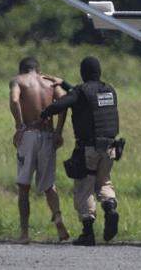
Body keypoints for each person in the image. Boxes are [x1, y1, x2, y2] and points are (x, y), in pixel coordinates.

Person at [41, 56, 120, 246]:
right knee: (104, 182)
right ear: (99, 72)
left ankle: (88, 233)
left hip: (89, 148)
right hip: (110, 147)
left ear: (82, 73)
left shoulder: (80, 91)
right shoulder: (109, 90)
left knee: (84, 187)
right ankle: (110, 208)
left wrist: (46, 112)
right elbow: (86, 96)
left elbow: (64, 103)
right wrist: (66, 84)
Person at [9, 57, 70, 243]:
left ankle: (25, 233)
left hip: (29, 134)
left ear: (22, 70)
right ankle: (58, 218)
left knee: (24, 186)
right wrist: (58, 131)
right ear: (38, 69)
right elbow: (64, 102)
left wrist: (19, 126)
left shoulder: (18, 80)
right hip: (48, 135)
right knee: (49, 185)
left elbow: (14, 99)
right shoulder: (49, 82)